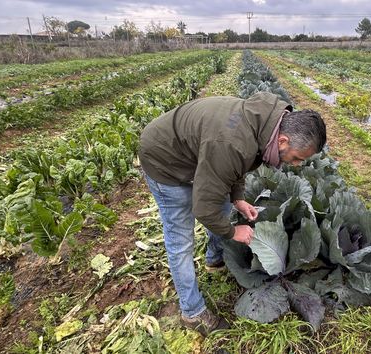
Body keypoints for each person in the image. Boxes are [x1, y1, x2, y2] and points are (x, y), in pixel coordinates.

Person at [138, 91, 327, 335]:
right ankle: (191, 312)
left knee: (224, 206)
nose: (297, 164)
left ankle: (214, 258)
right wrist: (231, 231)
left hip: (199, 151)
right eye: (297, 158)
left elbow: (239, 163)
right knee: (180, 239)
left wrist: (237, 198)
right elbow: (204, 208)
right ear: (282, 141)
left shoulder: (265, 124)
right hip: (164, 158)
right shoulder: (232, 142)